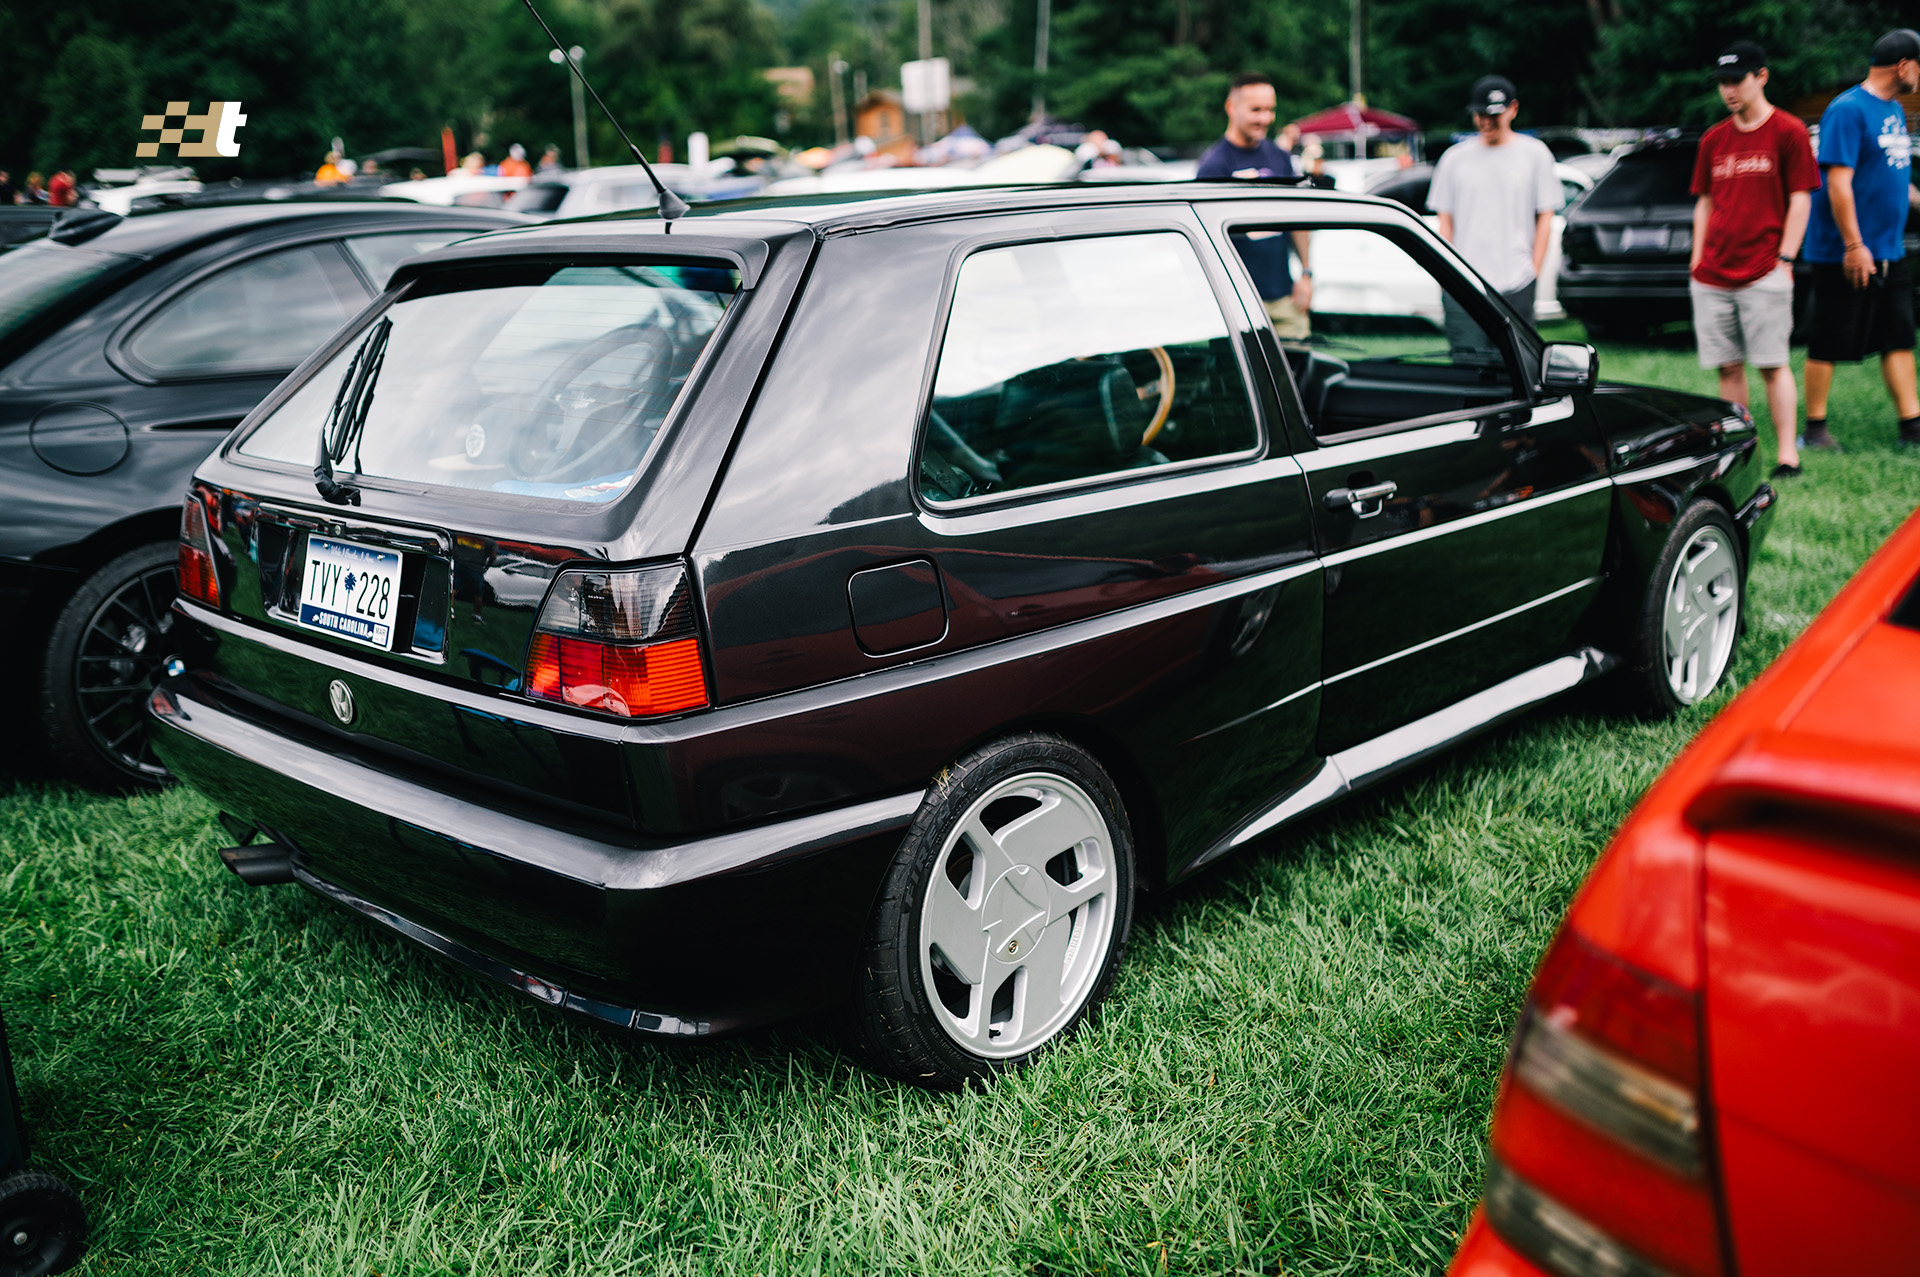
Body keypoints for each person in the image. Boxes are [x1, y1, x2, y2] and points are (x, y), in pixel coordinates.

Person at [1689, 41, 1821, 478]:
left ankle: (1787, 455)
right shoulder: (1714, 138)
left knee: (1771, 365)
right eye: (1723, 82)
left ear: (1761, 77)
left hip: (1765, 269)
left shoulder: (1788, 131)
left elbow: (1800, 198)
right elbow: (1705, 201)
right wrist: (1696, 258)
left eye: (1737, 80)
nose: (1728, 90)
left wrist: (1786, 258)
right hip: (1712, 274)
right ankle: (1740, 451)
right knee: (1728, 366)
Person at [1801, 27, 1920, 449]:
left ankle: (1912, 425)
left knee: (1899, 337)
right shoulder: (1847, 110)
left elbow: (1890, 175)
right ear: (1903, 66)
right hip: (1844, 252)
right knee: (1828, 339)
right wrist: (1854, 245)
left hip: (1889, 249)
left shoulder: (1893, 109)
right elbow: (1837, 183)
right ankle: (1815, 429)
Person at [1429, 75, 1560, 340]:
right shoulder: (1454, 159)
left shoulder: (1535, 154)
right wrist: (1446, 277)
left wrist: (1533, 271)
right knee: (1468, 359)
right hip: (1464, 281)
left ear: (1513, 109)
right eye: (1480, 114)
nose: (1486, 121)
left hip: (1517, 280)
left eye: (1493, 115)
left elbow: (1545, 216)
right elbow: (1445, 222)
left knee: (1517, 361)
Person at [1198, 73, 1314, 338]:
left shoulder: (1280, 157)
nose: (1265, 118)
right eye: (1256, 110)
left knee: (1299, 363)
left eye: (1270, 110)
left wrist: (1306, 274)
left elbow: (1297, 220)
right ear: (1231, 107)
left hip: (1284, 297)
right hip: (1235, 303)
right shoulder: (1213, 166)